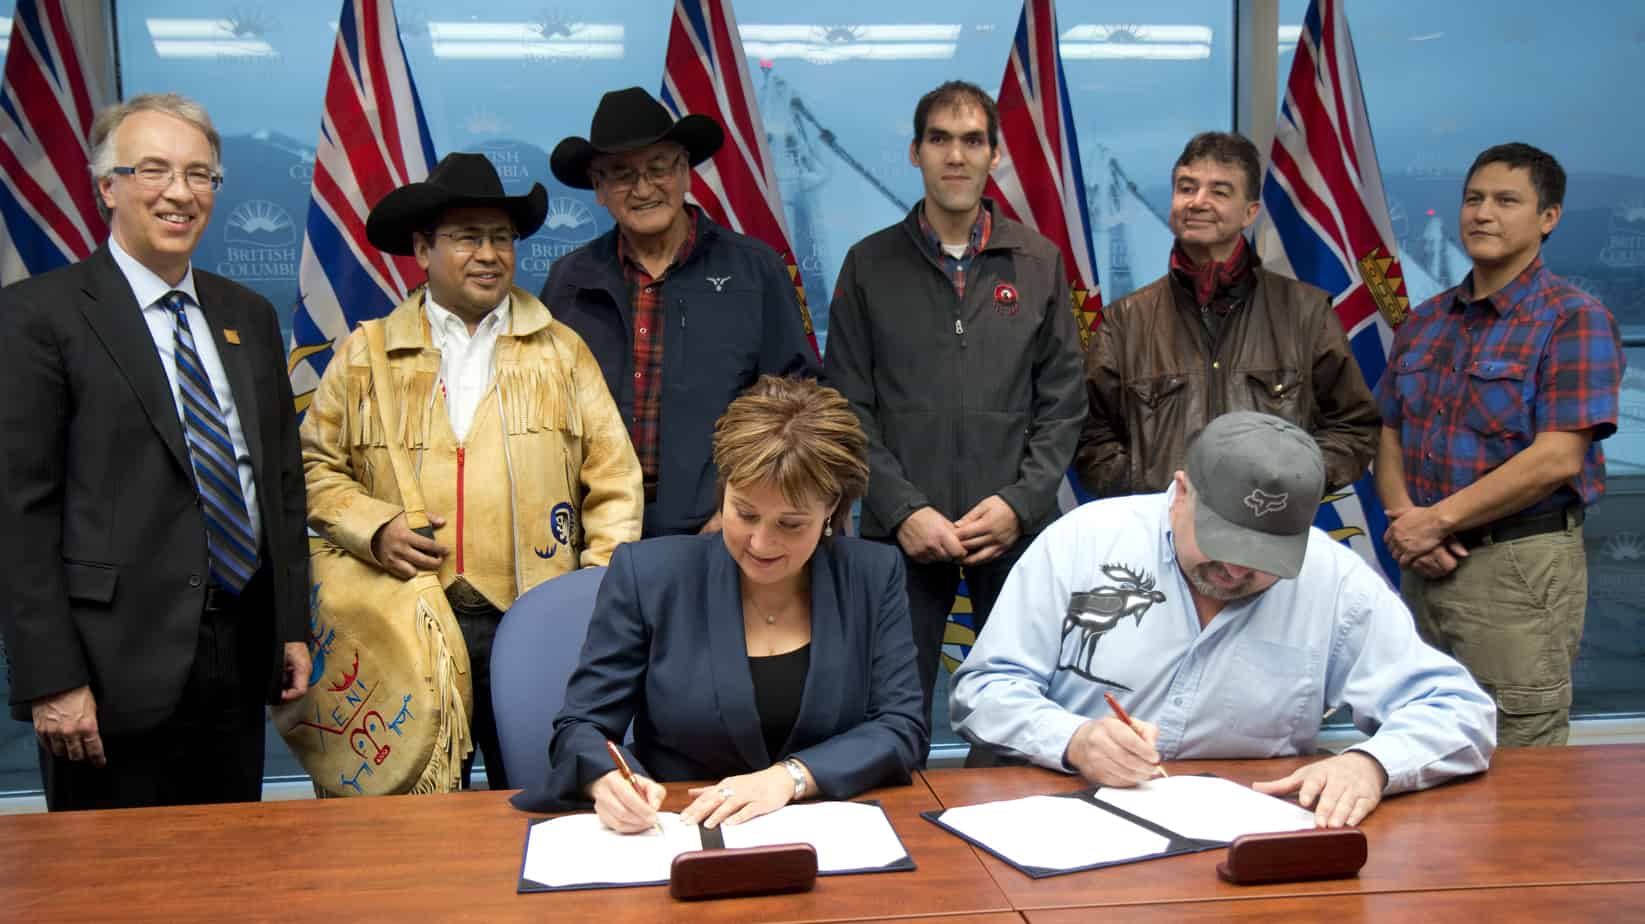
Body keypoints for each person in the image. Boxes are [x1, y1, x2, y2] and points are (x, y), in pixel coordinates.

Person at [952, 412, 1495, 828]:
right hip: (1071, 818)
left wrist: (1372, 764)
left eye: (1264, 557)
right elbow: (984, 689)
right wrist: (1073, 739)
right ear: (1181, 493)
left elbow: (1458, 711)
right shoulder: (1082, 541)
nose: (1235, 568)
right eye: (1222, 541)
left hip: (1251, 830)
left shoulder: (1331, 577)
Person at [0, 93, 311, 810]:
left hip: (239, 656)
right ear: (107, 187)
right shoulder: (37, 317)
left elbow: (281, 485)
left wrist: (291, 626)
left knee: (233, 876)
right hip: (107, 672)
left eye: (201, 174)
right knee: (111, 892)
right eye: (154, 170)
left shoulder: (248, 316)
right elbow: (19, 516)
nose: (180, 193)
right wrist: (52, 678)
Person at [302, 152, 643, 790]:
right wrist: (374, 528)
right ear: (423, 248)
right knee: (418, 818)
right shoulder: (364, 354)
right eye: (468, 238)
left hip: (533, 618)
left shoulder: (560, 352)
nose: (489, 254)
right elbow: (314, 469)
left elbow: (615, 483)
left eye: (501, 238)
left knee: (545, 793)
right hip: (409, 621)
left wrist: (591, 597)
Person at [536, 376, 927, 832]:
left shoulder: (872, 576)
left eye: (791, 524)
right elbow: (582, 727)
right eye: (744, 513)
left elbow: (901, 727)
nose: (761, 542)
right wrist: (606, 779)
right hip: (683, 830)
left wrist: (790, 778)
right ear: (725, 490)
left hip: (831, 833)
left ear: (831, 509)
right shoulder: (650, 576)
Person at [824, 81, 1084, 719]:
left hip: (1012, 533)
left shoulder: (1038, 261)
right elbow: (847, 405)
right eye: (940, 139)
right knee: (892, 713)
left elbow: (1063, 401)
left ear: (994, 156)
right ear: (915, 152)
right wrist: (904, 509)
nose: (956, 156)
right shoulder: (868, 265)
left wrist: (1021, 503)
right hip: (902, 534)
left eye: (972, 141)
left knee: (1023, 712)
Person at [1375, 143, 1624, 747]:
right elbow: (1389, 429)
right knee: (1415, 737)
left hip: (1516, 569)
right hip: (1422, 567)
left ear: (1548, 218)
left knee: (1515, 750)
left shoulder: (1573, 319)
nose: (1483, 214)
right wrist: (1409, 521)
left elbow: (1556, 458)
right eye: (1474, 199)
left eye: (1507, 201)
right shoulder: (1426, 320)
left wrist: (1433, 522)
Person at [542, 87, 820, 538]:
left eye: (659, 168)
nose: (644, 188)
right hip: (593, 536)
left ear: (686, 171)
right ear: (598, 188)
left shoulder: (755, 270)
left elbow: (799, 402)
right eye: (621, 175)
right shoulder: (568, 282)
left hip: (723, 534)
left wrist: (748, 507)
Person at [1075, 131, 1379, 498]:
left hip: (1267, 534)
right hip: (1158, 538)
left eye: (1219, 192)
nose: (1198, 202)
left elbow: (1355, 427)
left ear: (1250, 212)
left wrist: (1287, 484)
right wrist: (1150, 493)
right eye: (1187, 188)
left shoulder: (1306, 315)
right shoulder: (1124, 322)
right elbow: (1089, 436)